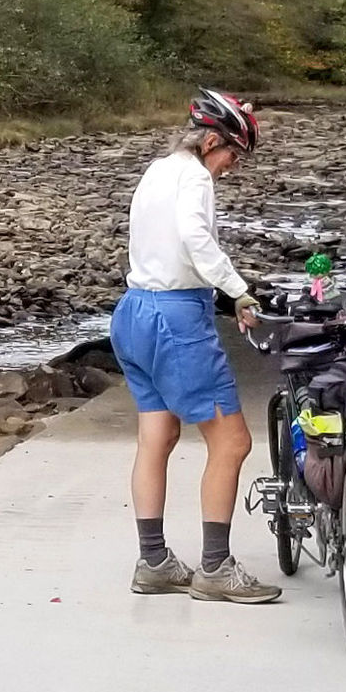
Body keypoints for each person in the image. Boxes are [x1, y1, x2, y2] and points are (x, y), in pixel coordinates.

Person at [113, 90, 280, 602]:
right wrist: (238, 292)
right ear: (211, 141)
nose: (232, 165)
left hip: (134, 312)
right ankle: (214, 569)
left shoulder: (157, 170)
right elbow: (194, 238)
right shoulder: (194, 177)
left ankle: (155, 562)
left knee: (156, 438)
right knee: (232, 442)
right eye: (233, 153)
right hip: (176, 319)